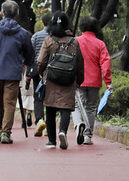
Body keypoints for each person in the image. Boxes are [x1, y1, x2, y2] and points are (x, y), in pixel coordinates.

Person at [0, 1, 35, 144]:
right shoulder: (22, 33)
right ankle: (6, 132)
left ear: (2, 13)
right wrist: (26, 63)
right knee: (9, 103)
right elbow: (30, 53)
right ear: (17, 15)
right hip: (13, 73)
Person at [37, 11, 84, 150]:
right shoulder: (74, 42)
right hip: (69, 80)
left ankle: (51, 141)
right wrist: (79, 81)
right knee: (66, 108)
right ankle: (62, 131)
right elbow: (80, 64)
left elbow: (41, 61)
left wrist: (41, 73)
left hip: (51, 79)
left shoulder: (49, 40)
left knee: (50, 108)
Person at [75, 16, 113, 146]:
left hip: (78, 81)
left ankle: (78, 124)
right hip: (94, 81)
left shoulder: (76, 41)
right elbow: (105, 63)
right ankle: (88, 136)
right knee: (91, 108)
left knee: (77, 106)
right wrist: (108, 82)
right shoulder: (100, 44)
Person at [29, 15, 50, 137]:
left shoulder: (36, 36)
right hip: (52, 71)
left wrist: (28, 74)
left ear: (43, 24)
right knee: (49, 98)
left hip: (38, 71)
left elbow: (30, 55)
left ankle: (39, 120)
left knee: (38, 97)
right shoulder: (54, 37)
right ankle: (48, 125)